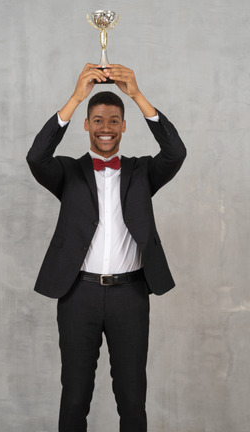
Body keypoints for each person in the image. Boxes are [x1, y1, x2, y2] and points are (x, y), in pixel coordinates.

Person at [26, 63, 186, 432]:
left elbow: (175, 152)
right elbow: (36, 157)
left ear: (124, 126)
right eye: (97, 120)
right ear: (86, 125)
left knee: (132, 398)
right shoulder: (66, 173)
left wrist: (136, 95)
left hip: (130, 295)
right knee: (75, 396)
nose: (105, 129)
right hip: (77, 293)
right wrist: (76, 97)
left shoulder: (143, 172)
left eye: (114, 121)